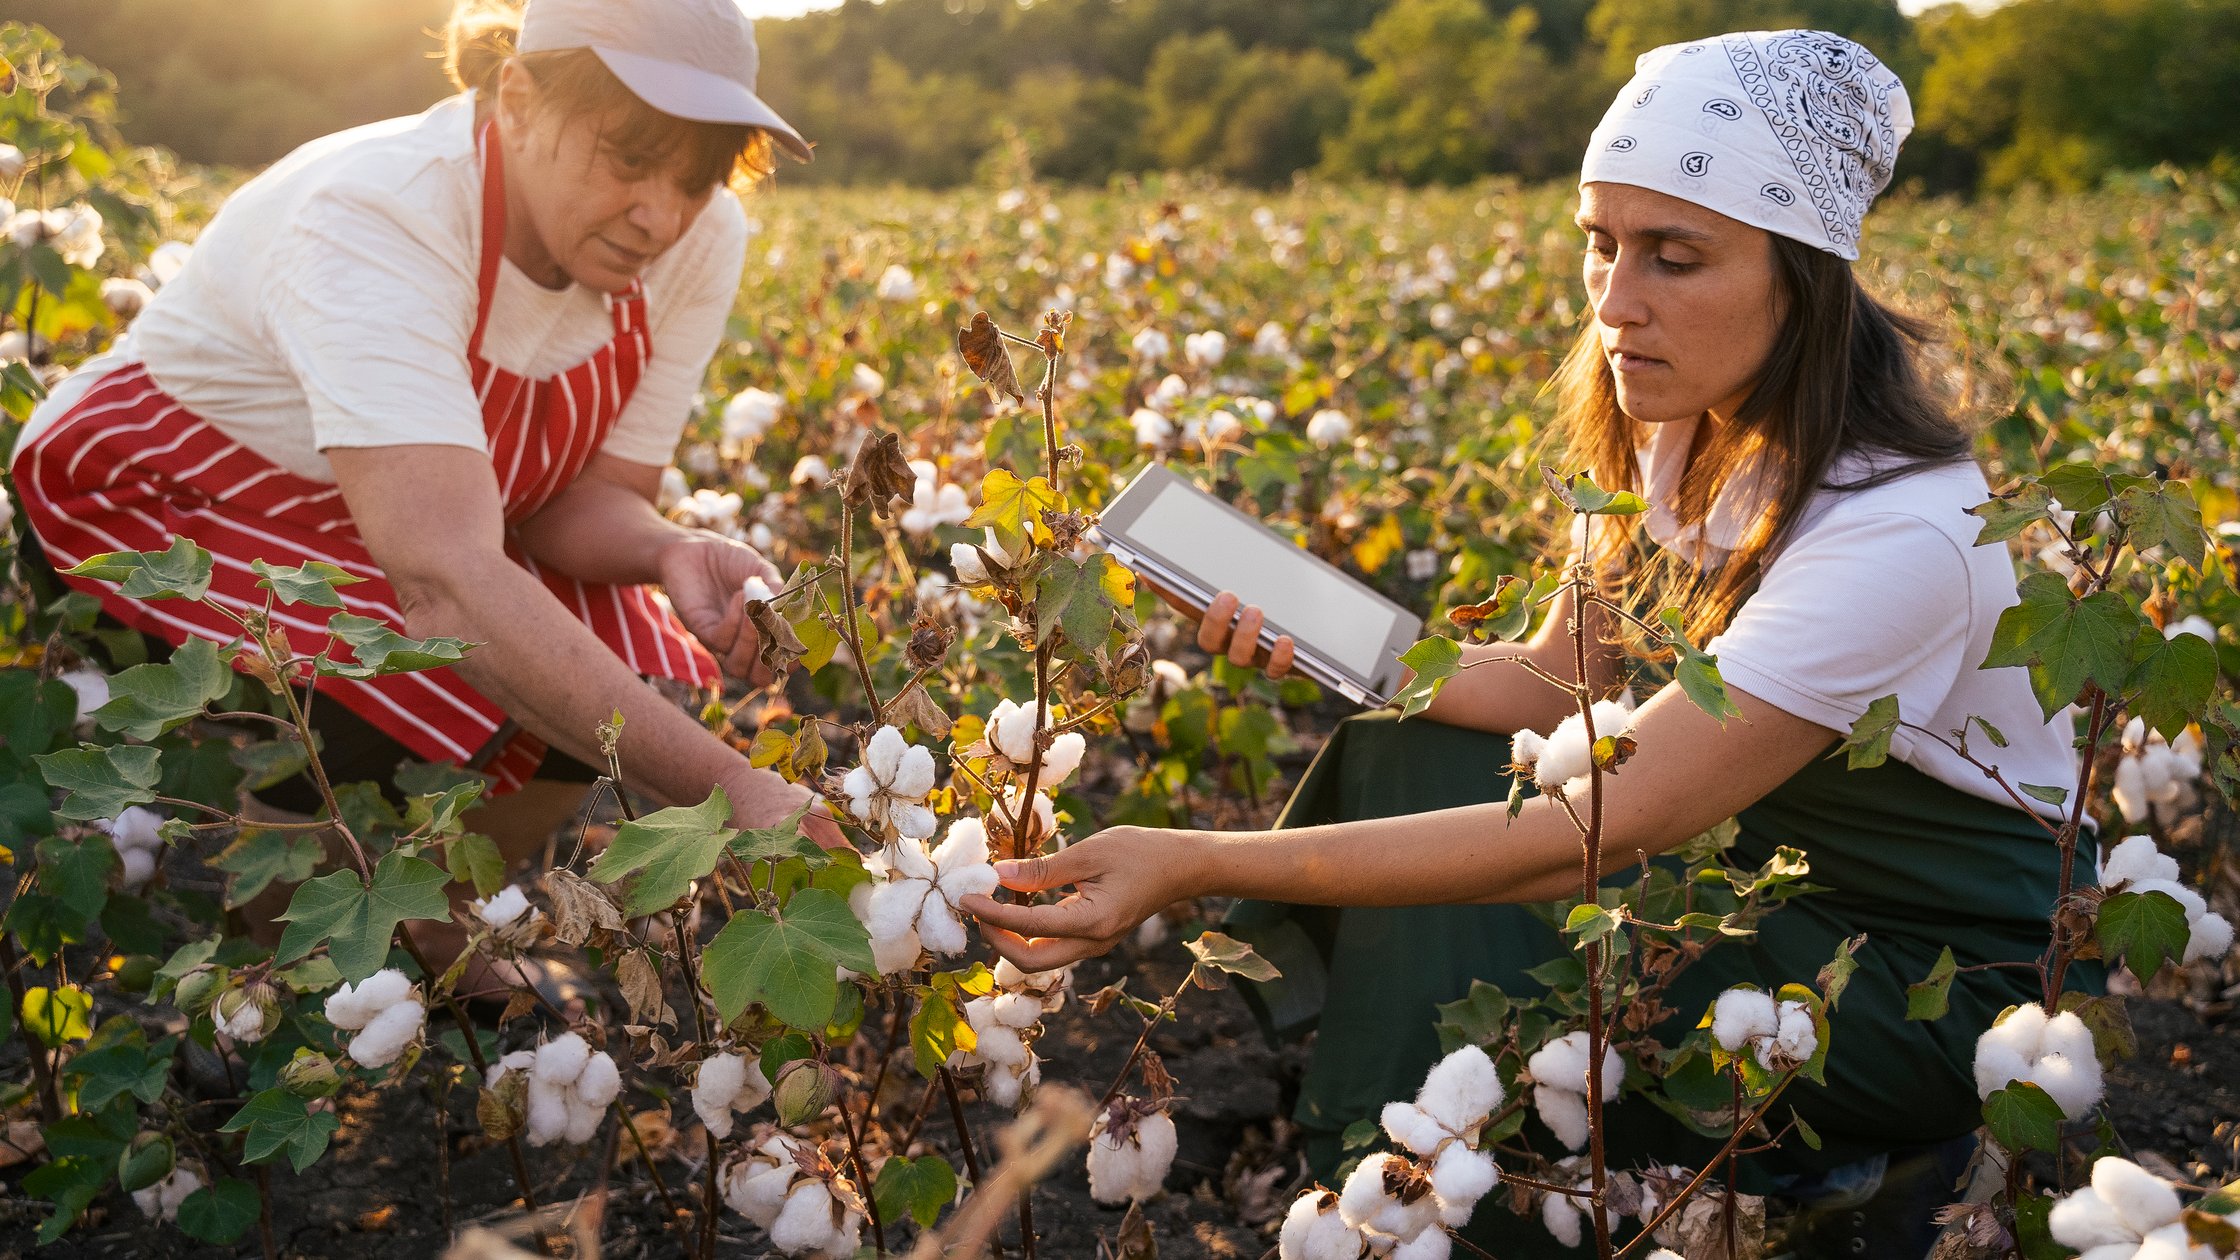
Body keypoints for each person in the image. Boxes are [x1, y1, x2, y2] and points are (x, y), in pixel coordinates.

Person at [966, 30, 2095, 1255]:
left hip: (1923, 984)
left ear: (1803, 275)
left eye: (1673, 257)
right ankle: (1404, 1159)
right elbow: (1562, 682)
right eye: (1599, 246)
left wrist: (1190, 859)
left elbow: (1593, 834)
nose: (1615, 304)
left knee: (1531, 897)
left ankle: (1435, 1198)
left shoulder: (1898, 529)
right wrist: (1335, 637)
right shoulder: (1677, 426)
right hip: (1756, 881)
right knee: (1399, 753)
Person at [10, 0, 834, 910]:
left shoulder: (700, 234)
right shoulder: (380, 214)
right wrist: (741, 796)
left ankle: (430, 921)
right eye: (630, 159)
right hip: (155, 494)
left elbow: (582, 499)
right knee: (424, 662)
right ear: (517, 96)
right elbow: (443, 583)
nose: (660, 215)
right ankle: (275, 943)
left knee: (615, 649)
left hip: (395, 509)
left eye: (695, 179)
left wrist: (665, 548)